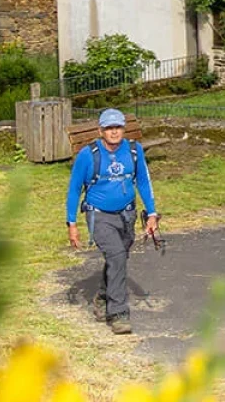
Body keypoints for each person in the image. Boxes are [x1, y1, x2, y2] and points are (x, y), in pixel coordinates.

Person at [66, 108, 158, 335]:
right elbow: (74, 189)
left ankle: (103, 297)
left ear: (123, 129)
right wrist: (72, 224)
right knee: (116, 256)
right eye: (109, 128)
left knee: (118, 258)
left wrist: (152, 213)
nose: (114, 132)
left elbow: (144, 182)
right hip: (99, 216)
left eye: (117, 127)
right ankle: (117, 313)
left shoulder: (135, 151)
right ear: (100, 131)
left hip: (127, 215)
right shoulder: (88, 155)